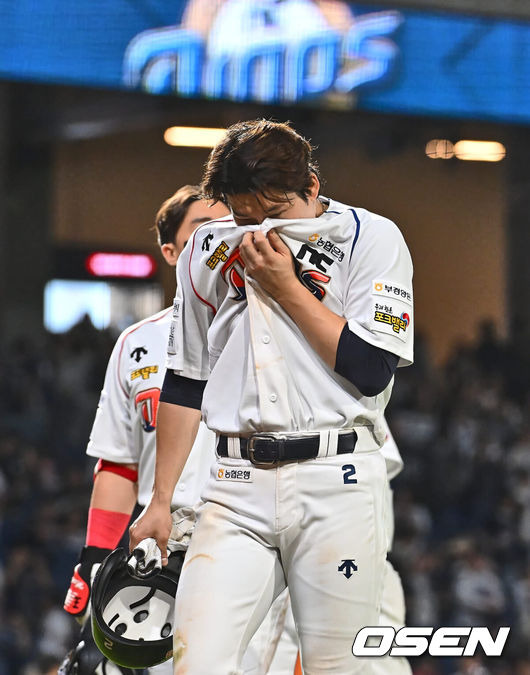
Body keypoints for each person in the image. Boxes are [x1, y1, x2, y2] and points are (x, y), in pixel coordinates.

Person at [130, 119, 414, 673]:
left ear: (311, 187)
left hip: (338, 480)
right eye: (243, 216)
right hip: (235, 486)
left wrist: (286, 287)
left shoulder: (370, 237)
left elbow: (373, 369)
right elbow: (187, 379)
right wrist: (160, 500)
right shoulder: (206, 250)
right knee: (196, 662)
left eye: (274, 212)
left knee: (340, 667)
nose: (258, 231)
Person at [62, 186, 299, 674]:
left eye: (230, 224)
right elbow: (118, 463)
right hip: (157, 552)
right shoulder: (136, 343)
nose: (220, 238)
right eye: (201, 229)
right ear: (171, 252)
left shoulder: (284, 329)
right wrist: (94, 558)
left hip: (252, 546)